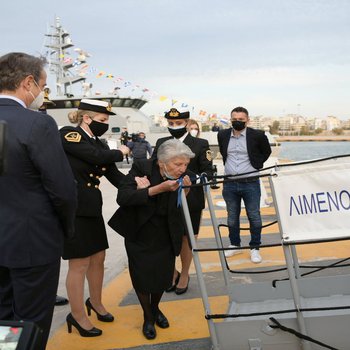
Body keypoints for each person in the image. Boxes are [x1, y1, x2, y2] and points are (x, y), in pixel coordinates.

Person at [0, 52, 77, 350]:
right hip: (33, 242)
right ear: (28, 82)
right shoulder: (38, 124)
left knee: (4, 319)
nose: (41, 95)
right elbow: (62, 189)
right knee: (31, 322)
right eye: (43, 87)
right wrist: (66, 229)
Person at [108, 139, 194, 340]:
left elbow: (181, 205)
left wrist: (187, 190)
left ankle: (155, 308)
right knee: (142, 277)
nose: (183, 169)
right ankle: (148, 317)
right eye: (178, 164)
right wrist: (156, 189)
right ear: (162, 162)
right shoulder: (142, 167)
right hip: (140, 232)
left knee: (163, 277)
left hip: (166, 231)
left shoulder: (184, 175)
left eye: (186, 165)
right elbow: (124, 197)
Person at [60, 99, 129, 337]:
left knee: (98, 256)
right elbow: (97, 158)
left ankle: (96, 303)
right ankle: (78, 315)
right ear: (86, 118)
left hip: (91, 207)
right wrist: (119, 151)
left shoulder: (97, 142)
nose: (105, 125)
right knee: (79, 263)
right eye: (102, 120)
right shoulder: (70, 134)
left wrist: (140, 185)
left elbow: (115, 175)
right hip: (74, 208)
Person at [152, 108, 213, 295]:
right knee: (165, 236)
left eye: (178, 123)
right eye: (170, 124)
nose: (174, 127)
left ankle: (184, 274)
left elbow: (208, 172)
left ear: (186, 122)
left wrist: (189, 178)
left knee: (187, 238)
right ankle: (171, 273)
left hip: (191, 199)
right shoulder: (162, 142)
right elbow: (155, 167)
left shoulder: (200, 143)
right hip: (166, 197)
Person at [217, 106, 271, 263]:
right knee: (232, 216)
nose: (238, 121)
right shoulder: (223, 134)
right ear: (230, 119)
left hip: (251, 183)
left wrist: (257, 164)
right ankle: (234, 244)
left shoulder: (258, 135)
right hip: (229, 183)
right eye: (235, 119)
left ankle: (255, 247)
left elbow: (266, 152)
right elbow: (223, 151)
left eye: (241, 119)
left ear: (247, 120)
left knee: (254, 216)